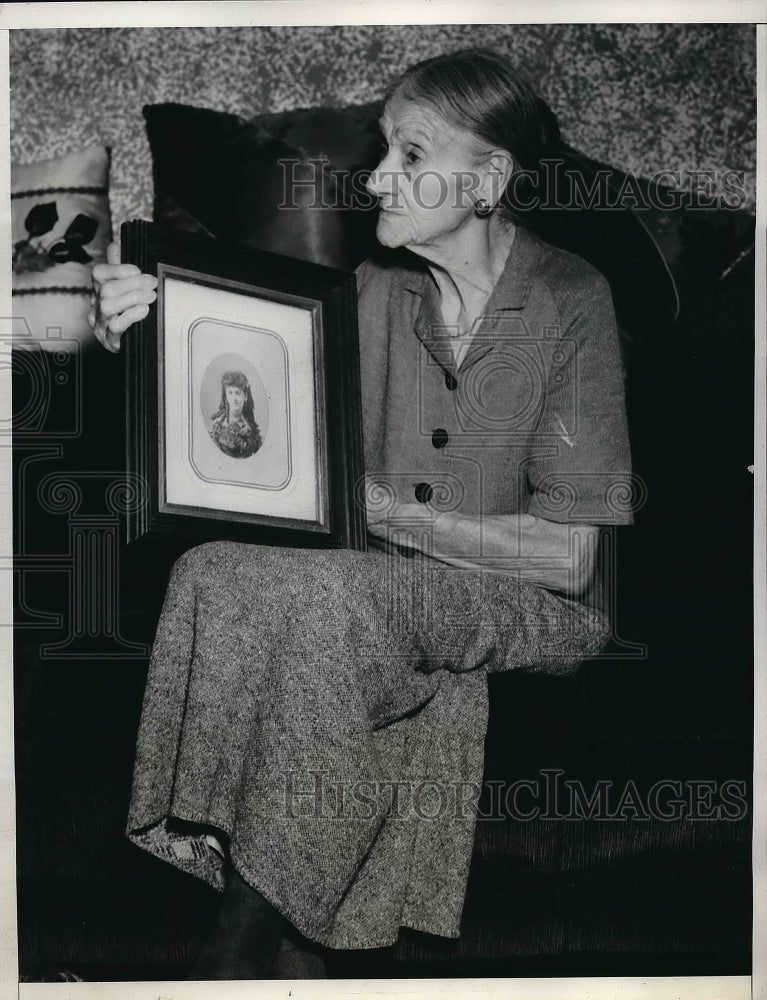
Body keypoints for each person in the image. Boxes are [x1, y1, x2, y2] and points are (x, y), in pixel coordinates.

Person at [89, 48, 633, 979]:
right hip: (383, 588)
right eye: (383, 150)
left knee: (342, 602)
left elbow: (572, 558)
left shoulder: (570, 298)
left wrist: (388, 515)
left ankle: (232, 959)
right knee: (211, 571)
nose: (377, 178)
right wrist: (136, 336)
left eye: (410, 155)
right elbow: (252, 438)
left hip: (537, 600)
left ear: (486, 179)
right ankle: (294, 953)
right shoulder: (369, 296)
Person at [208, 369, 263, 458]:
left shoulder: (252, 430)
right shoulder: (218, 427)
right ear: (226, 398)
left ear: (245, 396)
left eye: (237, 393)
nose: (234, 398)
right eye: (230, 393)